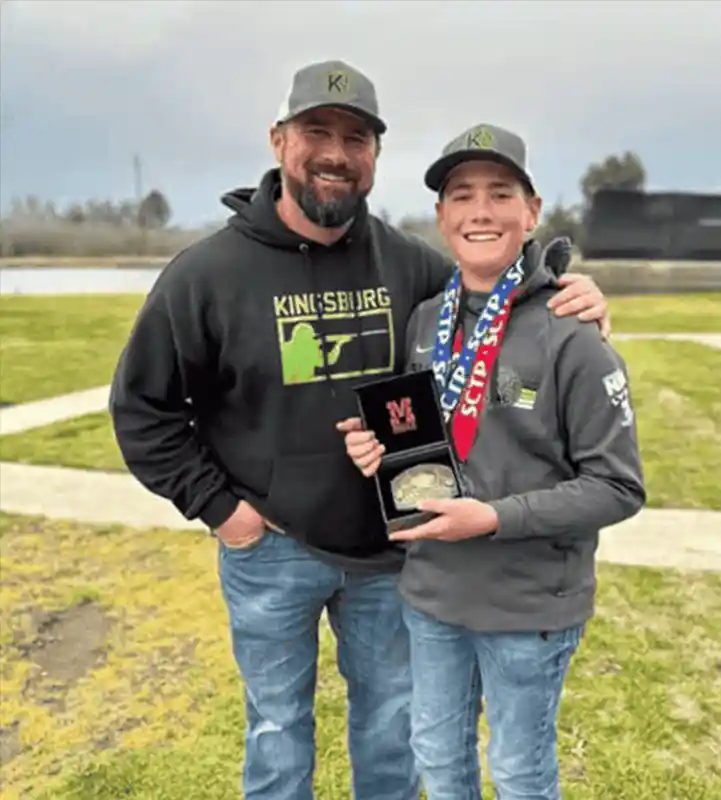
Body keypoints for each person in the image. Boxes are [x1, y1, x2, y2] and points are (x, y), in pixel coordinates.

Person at [108, 59, 612, 800]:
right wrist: (226, 512)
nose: (337, 153)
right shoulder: (205, 275)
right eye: (318, 132)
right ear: (280, 140)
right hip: (270, 551)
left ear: (376, 156)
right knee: (277, 734)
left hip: (388, 559)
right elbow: (143, 409)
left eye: (357, 137)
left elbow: (501, 298)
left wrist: (578, 298)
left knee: (392, 735)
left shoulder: (412, 266)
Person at [341, 123, 646, 799]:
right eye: (461, 195)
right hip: (431, 596)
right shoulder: (426, 322)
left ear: (532, 211)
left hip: (527, 608)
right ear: (442, 217)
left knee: (518, 772)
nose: (480, 210)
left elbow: (618, 487)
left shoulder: (573, 334)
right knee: (440, 762)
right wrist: (375, 449)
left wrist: (493, 519)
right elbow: (415, 436)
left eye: (500, 193)